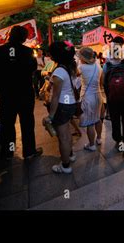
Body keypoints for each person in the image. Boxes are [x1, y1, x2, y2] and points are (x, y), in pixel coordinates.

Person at [0, 25, 42, 160]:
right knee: (27, 122)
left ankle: (8, 152)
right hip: (24, 93)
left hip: (5, 94)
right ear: (23, 38)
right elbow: (33, 69)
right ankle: (29, 152)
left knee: (7, 124)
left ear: (10, 35)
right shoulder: (28, 52)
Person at [43, 41, 79, 174]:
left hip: (62, 106)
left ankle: (65, 166)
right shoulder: (71, 67)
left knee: (63, 137)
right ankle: (70, 155)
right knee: (67, 133)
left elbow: (55, 97)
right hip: (70, 104)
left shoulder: (59, 71)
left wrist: (50, 116)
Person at [102, 36, 124, 160]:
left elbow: (103, 82)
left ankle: (118, 142)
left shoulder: (106, 65)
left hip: (112, 99)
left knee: (115, 121)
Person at [77, 47, 104, 151]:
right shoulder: (98, 66)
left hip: (88, 97)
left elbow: (74, 76)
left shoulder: (81, 67)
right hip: (98, 96)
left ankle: (91, 145)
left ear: (83, 57)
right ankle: (99, 139)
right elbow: (101, 82)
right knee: (98, 118)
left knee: (90, 122)